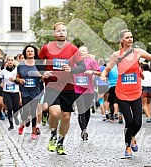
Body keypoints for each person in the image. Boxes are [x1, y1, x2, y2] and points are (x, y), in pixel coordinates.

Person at [100, 29, 151, 158]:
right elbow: (107, 69)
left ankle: (132, 136)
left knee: (138, 123)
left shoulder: (138, 52)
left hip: (136, 92)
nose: (130, 39)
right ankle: (128, 146)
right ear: (122, 40)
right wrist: (103, 75)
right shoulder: (116, 55)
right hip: (122, 93)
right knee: (129, 122)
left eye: (131, 37)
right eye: (127, 38)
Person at [39, 22, 85, 155]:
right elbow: (36, 62)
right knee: (54, 113)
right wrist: (42, 73)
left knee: (66, 116)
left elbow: (82, 67)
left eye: (63, 31)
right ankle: (53, 134)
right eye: (58, 31)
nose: (61, 33)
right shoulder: (47, 48)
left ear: (66, 33)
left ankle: (60, 142)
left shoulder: (73, 49)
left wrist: (72, 69)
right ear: (54, 33)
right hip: (52, 86)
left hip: (68, 87)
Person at [16, 45, 44, 139]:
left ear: (35, 53)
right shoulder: (21, 65)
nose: (30, 53)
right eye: (28, 51)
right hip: (25, 90)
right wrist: (20, 80)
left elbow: (44, 78)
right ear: (25, 53)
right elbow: (17, 77)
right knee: (25, 110)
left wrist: (39, 75)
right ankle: (22, 124)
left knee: (33, 111)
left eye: (32, 51)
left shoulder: (38, 64)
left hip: (35, 91)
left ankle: (33, 132)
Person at [74, 46, 100, 141]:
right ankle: (83, 130)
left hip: (89, 90)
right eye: (80, 51)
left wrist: (92, 71)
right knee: (81, 109)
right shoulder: (74, 61)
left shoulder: (91, 61)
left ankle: (85, 127)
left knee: (86, 110)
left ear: (87, 52)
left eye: (83, 51)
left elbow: (99, 72)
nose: (81, 52)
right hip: (77, 89)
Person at [0, 55, 20, 130]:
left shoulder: (17, 70)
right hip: (6, 92)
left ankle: (16, 117)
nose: (10, 62)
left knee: (16, 108)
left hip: (15, 92)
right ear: (7, 62)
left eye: (12, 60)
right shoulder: (3, 71)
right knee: (10, 108)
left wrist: (14, 80)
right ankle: (11, 124)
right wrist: (1, 83)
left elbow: (20, 81)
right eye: (9, 60)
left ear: (14, 61)